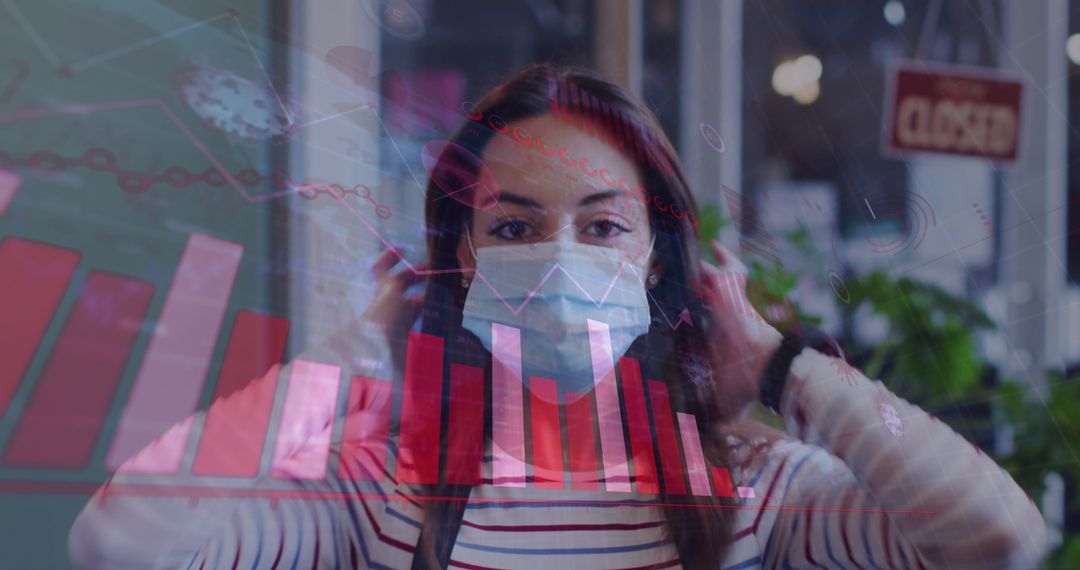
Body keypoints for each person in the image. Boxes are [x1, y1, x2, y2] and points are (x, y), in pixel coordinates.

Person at [69, 64, 1048, 569]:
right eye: (515, 223)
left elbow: (999, 542)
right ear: (463, 253)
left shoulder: (757, 491)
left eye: (603, 223)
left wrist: (783, 367)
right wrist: (344, 363)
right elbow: (116, 548)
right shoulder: (378, 494)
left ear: (661, 256)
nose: (562, 255)